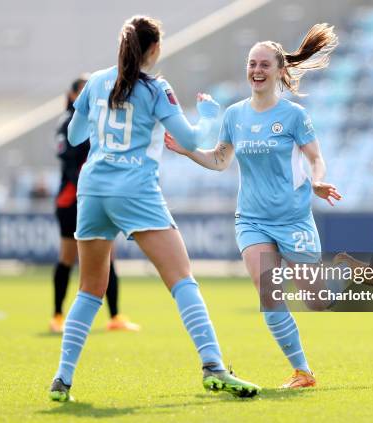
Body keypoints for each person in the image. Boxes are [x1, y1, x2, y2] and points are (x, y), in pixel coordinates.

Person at [49, 15, 261, 402]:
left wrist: (99, 122)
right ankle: (213, 366)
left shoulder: (95, 81)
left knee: (89, 289)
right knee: (181, 278)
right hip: (135, 190)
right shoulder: (156, 88)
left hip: (93, 189)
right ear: (154, 49)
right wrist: (211, 116)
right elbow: (189, 138)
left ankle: (62, 378)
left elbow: (77, 135)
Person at [165, 23, 373, 389]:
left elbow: (316, 159)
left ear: (280, 71)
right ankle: (302, 371)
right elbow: (220, 161)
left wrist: (317, 182)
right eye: (252, 64)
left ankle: (345, 273)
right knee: (267, 288)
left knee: (317, 302)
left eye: (264, 65)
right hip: (251, 219)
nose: (256, 71)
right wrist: (187, 150)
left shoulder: (295, 116)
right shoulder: (235, 115)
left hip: (293, 219)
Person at [50, 76, 140, 334]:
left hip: (97, 196)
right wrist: (92, 186)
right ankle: (57, 315)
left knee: (109, 257)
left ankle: (115, 316)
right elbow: (69, 165)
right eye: (84, 92)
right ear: (72, 95)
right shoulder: (68, 124)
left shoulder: (100, 120)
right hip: (72, 200)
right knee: (67, 257)